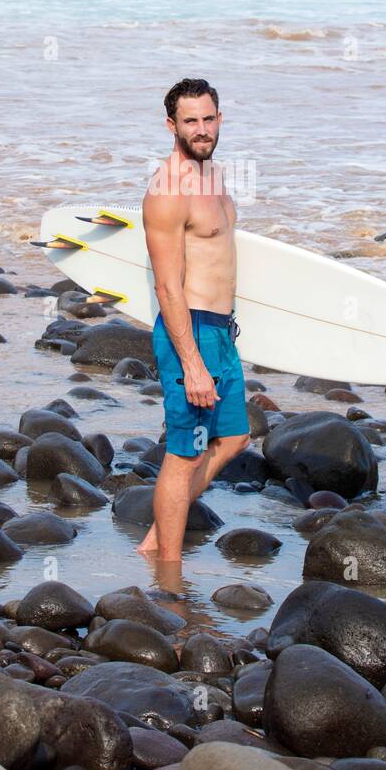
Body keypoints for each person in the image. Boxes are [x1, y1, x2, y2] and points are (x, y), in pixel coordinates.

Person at [136, 77, 250, 564]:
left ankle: (155, 540)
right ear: (171, 125)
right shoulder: (167, 193)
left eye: (208, 119)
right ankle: (168, 573)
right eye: (190, 121)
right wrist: (194, 365)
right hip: (191, 331)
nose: (201, 130)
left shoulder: (216, 175)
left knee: (237, 437)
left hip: (222, 330)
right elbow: (167, 287)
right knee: (185, 454)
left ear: (219, 119)